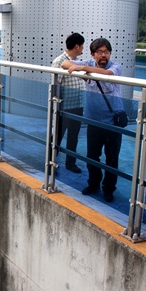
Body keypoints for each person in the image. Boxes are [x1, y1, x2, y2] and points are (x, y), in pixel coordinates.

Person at [62, 38, 123, 202]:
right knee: (92, 156)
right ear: (93, 54)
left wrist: (81, 68)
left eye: (106, 52)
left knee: (111, 159)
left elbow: (108, 74)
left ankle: (109, 189)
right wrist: (77, 67)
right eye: (100, 52)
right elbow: (65, 64)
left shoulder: (115, 66)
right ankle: (94, 183)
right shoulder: (90, 62)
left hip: (113, 121)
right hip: (94, 120)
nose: (104, 56)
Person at [51, 33, 86, 173]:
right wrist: (57, 107)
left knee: (74, 136)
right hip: (64, 107)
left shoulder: (77, 63)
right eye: (82, 46)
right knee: (58, 136)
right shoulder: (59, 62)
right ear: (77, 46)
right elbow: (55, 86)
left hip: (77, 106)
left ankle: (71, 163)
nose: (82, 48)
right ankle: (51, 161)